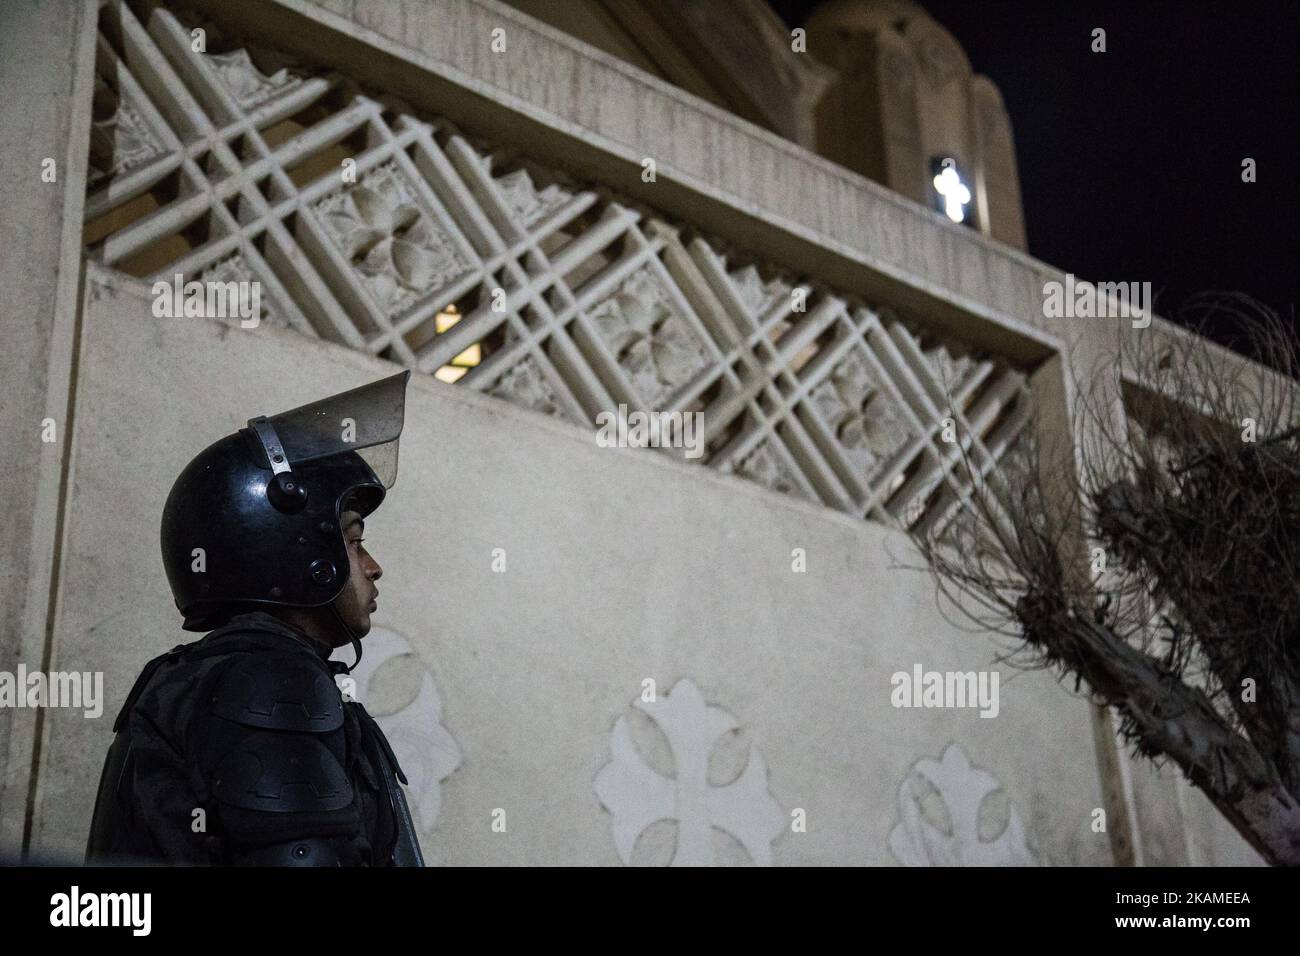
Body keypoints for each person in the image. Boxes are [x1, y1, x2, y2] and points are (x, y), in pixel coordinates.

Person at [85, 371, 424, 866]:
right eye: (354, 541)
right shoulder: (268, 681)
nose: (372, 567)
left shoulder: (223, 672)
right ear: (295, 553)